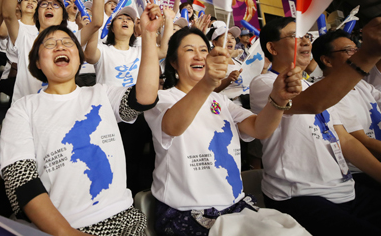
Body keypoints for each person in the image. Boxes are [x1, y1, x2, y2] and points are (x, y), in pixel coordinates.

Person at [0, 2, 162, 235]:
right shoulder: (22, 109)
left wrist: (148, 34)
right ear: (36, 62)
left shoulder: (101, 93)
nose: (59, 47)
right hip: (64, 227)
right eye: (50, 44)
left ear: (79, 58)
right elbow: (21, 182)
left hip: (126, 221)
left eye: (67, 43)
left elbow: (145, 97)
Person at [144, 27, 301, 235]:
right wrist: (208, 83)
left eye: (203, 50)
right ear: (173, 62)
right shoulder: (161, 99)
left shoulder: (221, 101)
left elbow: (258, 129)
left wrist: (279, 100)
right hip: (187, 212)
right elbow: (172, 126)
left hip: (233, 208)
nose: (199, 55)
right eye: (189, 50)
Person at [249, 17, 381, 235]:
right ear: (272, 47)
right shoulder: (264, 84)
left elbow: (345, 140)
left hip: (345, 190)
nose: (304, 42)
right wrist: (368, 53)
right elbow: (311, 103)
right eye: (294, 36)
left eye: (306, 37)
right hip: (299, 195)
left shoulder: (315, 85)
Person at [3, 0, 108, 102]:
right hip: (27, 114)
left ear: (63, 16)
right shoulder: (25, 36)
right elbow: (8, 14)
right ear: (38, 14)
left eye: (56, 4)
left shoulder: (70, 40)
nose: (49, 6)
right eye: (44, 4)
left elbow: (97, 22)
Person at [312, 29, 381, 190]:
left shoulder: (361, 85)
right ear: (327, 61)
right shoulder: (327, 93)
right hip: (362, 171)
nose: (355, 54)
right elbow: (362, 141)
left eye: (356, 49)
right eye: (348, 51)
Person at [85, 5, 174, 87]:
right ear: (112, 28)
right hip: (106, 103)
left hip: (132, 103)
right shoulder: (102, 49)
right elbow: (89, 56)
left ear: (133, 28)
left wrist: (169, 19)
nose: (125, 20)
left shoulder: (141, 51)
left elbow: (164, 51)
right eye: (120, 18)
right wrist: (95, 23)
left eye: (129, 19)